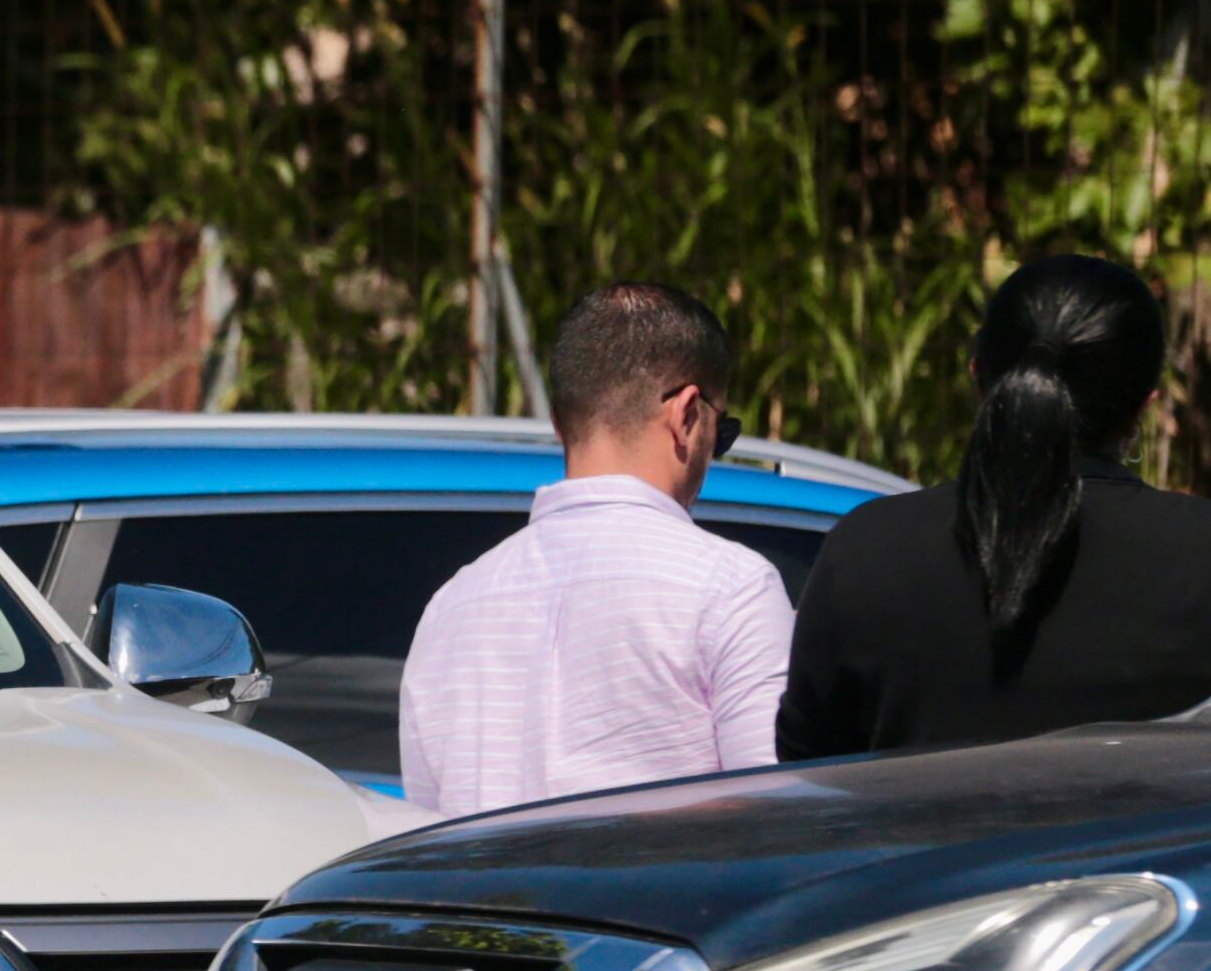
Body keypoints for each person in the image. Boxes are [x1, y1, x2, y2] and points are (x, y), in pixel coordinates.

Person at [778, 254, 1211, 760]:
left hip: (920, 840)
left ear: (978, 378)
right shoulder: (1199, 553)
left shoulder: (865, 548)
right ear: (1145, 405)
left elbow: (808, 764)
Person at [398, 282, 792, 816]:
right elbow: (778, 821)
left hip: (482, 900)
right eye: (721, 432)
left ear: (560, 423)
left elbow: (425, 834)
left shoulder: (450, 607)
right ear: (687, 414)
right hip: (657, 902)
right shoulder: (731, 587)